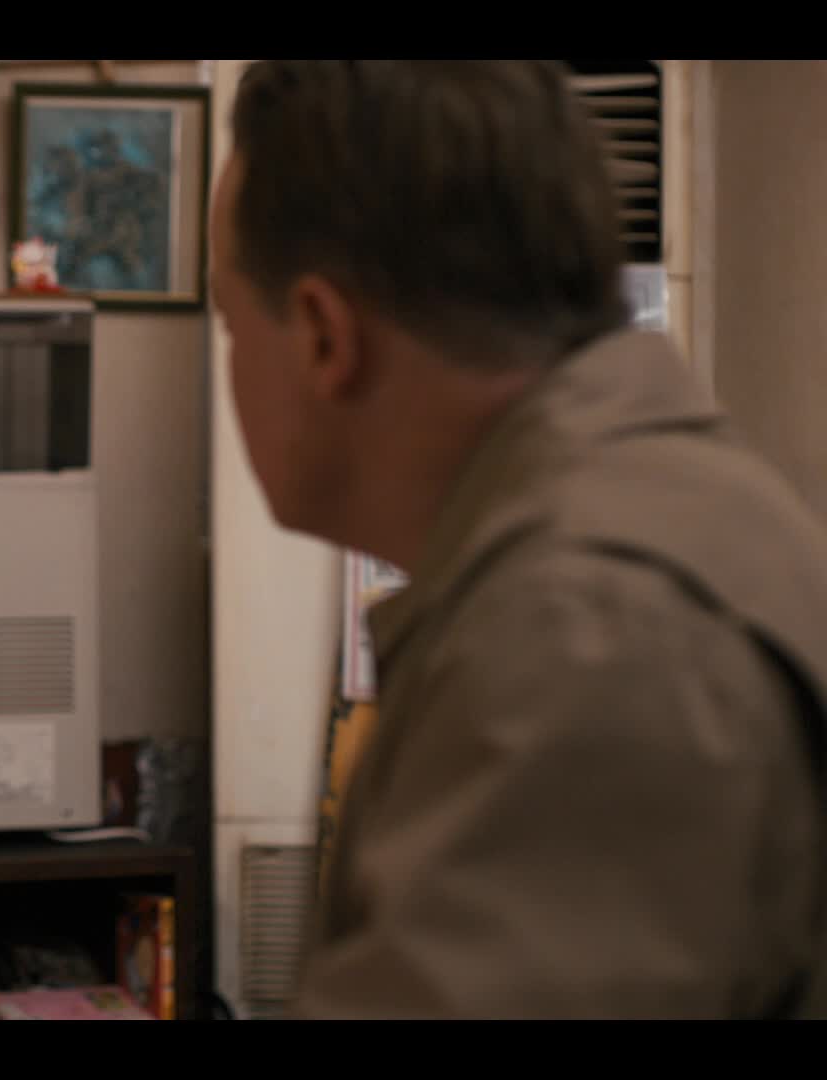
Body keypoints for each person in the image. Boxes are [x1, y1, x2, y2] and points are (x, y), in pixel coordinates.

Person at [211, 60, 827, 1019]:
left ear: (325, 337)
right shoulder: (643, 514)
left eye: (229, 323)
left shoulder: (586, 633)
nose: (232, 365)